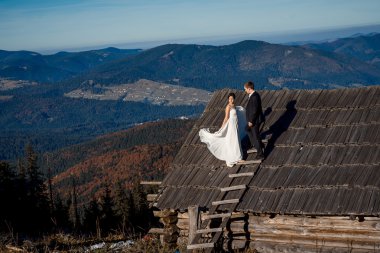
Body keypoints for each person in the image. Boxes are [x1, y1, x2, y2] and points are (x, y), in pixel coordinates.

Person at [199, 93, 246, 167]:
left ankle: (236, 157)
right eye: (229, 98)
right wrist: (222, 127)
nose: (231, 100)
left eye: (232, 98)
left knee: (236, 139)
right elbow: (226, 117)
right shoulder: (228, 107)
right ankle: (236, 158)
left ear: (234, 99)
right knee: (233, 140)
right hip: (231, 126)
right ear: (228, 99)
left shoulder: (235, 106)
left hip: (235, 125)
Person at [244, 81, 265, 160]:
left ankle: (260, 154)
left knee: (256, 136)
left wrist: (251, 121)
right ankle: (258, 144)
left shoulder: (255, 96)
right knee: (247, 129)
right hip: (253, 120)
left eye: (245, 89)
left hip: (254, 121)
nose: (245, 91)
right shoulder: (253, 96)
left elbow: (254, 110)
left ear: (249, 88)